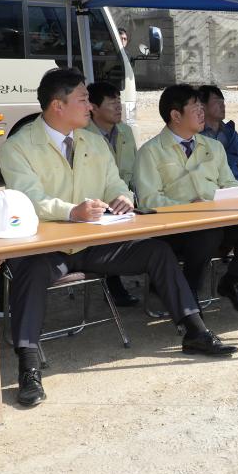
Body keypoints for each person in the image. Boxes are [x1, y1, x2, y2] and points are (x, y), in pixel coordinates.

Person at [0, 69, 236, 407]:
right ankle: (28, 366)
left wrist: (122, 196)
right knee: (29, 270)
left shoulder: (92, 141)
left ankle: (195, 330)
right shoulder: (18, 147)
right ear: (57, 106)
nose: (89, 106)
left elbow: (114, 183)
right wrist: (71, 211)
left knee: (156, 251)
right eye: (82, 99)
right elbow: (28, 198)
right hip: (49, 247)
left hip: (96, 241)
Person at [135, 84, 238, 318]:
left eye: (201, 107)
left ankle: (233, 280)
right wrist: (188, 208)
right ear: (176, 115)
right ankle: (188, 294)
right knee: (207, 234)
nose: (202, 113)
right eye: (195, 108)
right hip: (175, 228)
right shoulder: (151, 151)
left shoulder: (213, 146)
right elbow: (148, 200)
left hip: (215, 218)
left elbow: (229, 183)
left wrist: (231, 196)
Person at [84, 80, 140, 307]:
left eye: (119, 101)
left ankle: (156, 279)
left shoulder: (125, 131)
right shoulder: (83, 134)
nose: (118, 107)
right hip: (96, 203)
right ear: (93, 108)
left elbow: (133, 169)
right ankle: (113, 284)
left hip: (125, 199)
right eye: (112, 103)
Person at [198, 84, 238, 185]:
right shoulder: (195, 137)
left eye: (223, 102)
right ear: (202, 106)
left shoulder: (232, 135)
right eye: (217, 102)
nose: (223, 106)